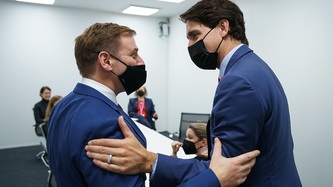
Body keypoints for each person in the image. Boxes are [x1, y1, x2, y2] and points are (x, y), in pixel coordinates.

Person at [85, 0, 302, 186]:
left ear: (223, 27)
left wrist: (150, 161)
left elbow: (224, 171)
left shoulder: (238, 81)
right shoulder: (254, 67)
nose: (189, 45)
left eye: (194, 35)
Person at [47, 22, 259, 187]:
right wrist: (215, 179)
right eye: (133, 54)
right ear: (106, 61)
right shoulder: (107, 124)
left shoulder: (64, 105)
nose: (140, 61)